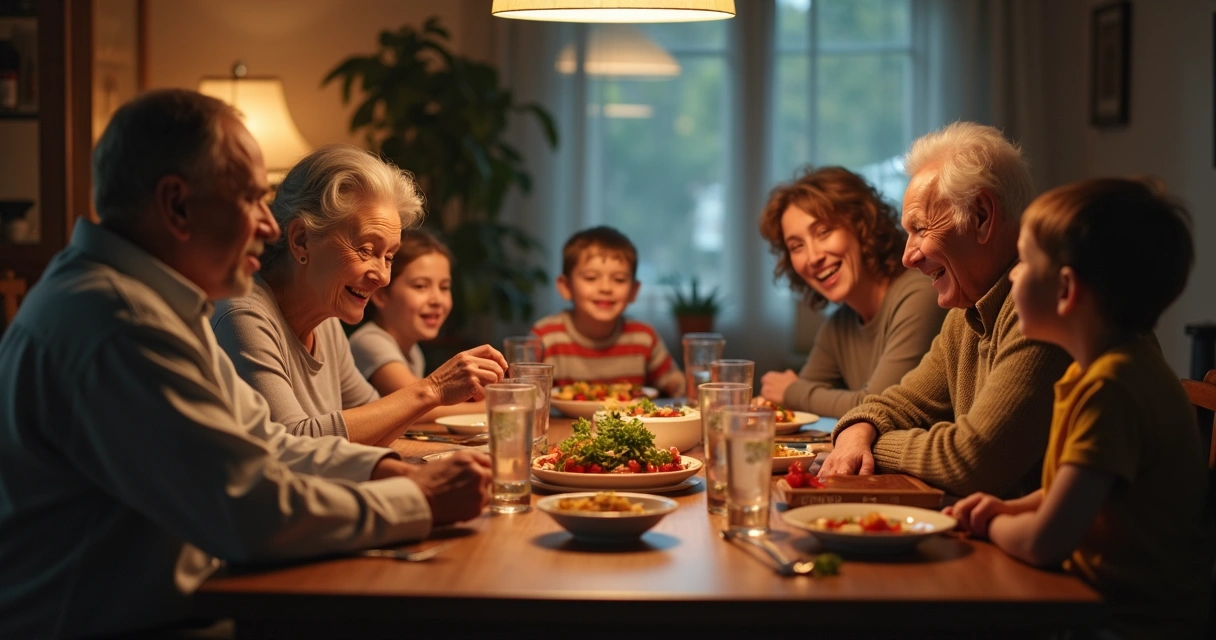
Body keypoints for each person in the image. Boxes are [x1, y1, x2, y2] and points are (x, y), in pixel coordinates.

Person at [0, 89, 492, 639]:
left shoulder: (157, 302)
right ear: (177, 206)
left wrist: (381, 470)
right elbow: (246, 512)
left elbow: (268, 444)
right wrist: (416, 497)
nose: (268, 225)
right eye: (252, 200)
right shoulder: (119, 323)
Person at [947, 178, 1215, 639]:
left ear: (1066, 290)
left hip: (1128, 623)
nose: (1011, 275)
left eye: (1025, 261)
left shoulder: (1113, 390)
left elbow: (1045, 541)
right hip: (1090, 605)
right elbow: (1069, 495)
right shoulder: (1092, 373)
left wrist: (992, 528)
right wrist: (1005, 510)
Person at [818, 121, 1073, 498]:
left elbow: (974, 460)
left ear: (982, 216)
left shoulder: (1043, 308)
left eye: (920, 229)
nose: (908, 256)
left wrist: (872, 446)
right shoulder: (968, 313)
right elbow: (899, 404)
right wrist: (858, 429)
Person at [212, 144, 508, 447]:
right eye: (366, 250)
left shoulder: (325, 319)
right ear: (301, 239)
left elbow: (372, 425)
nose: (382, 277)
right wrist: (433, 389)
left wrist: (448, 459)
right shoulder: (243, 315)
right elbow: (292, 444)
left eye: (389, 257)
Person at [756, 166, 946, 417]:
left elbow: (879, 407)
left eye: (823, 232)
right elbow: (797, 405)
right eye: (797, 246)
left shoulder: (921, 293)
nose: (813, 257)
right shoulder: (839, 325)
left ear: (861, 225)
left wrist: (791, 391)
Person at [531, 225, 684, 396]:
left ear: (634, 291)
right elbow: (522, 390)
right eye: (591, 278)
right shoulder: (545, 337)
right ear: (566, 286)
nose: (605, 288)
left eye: (619, 280)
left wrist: (688, 383)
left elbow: (675, 383)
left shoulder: (644, 337)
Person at [349, 229, 484, 421]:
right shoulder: (370, 342)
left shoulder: (413, 352)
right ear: (380, 294)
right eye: (420, 286)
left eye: (444, 287)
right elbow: (420, 408)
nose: (437, 300)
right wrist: (492, 406)